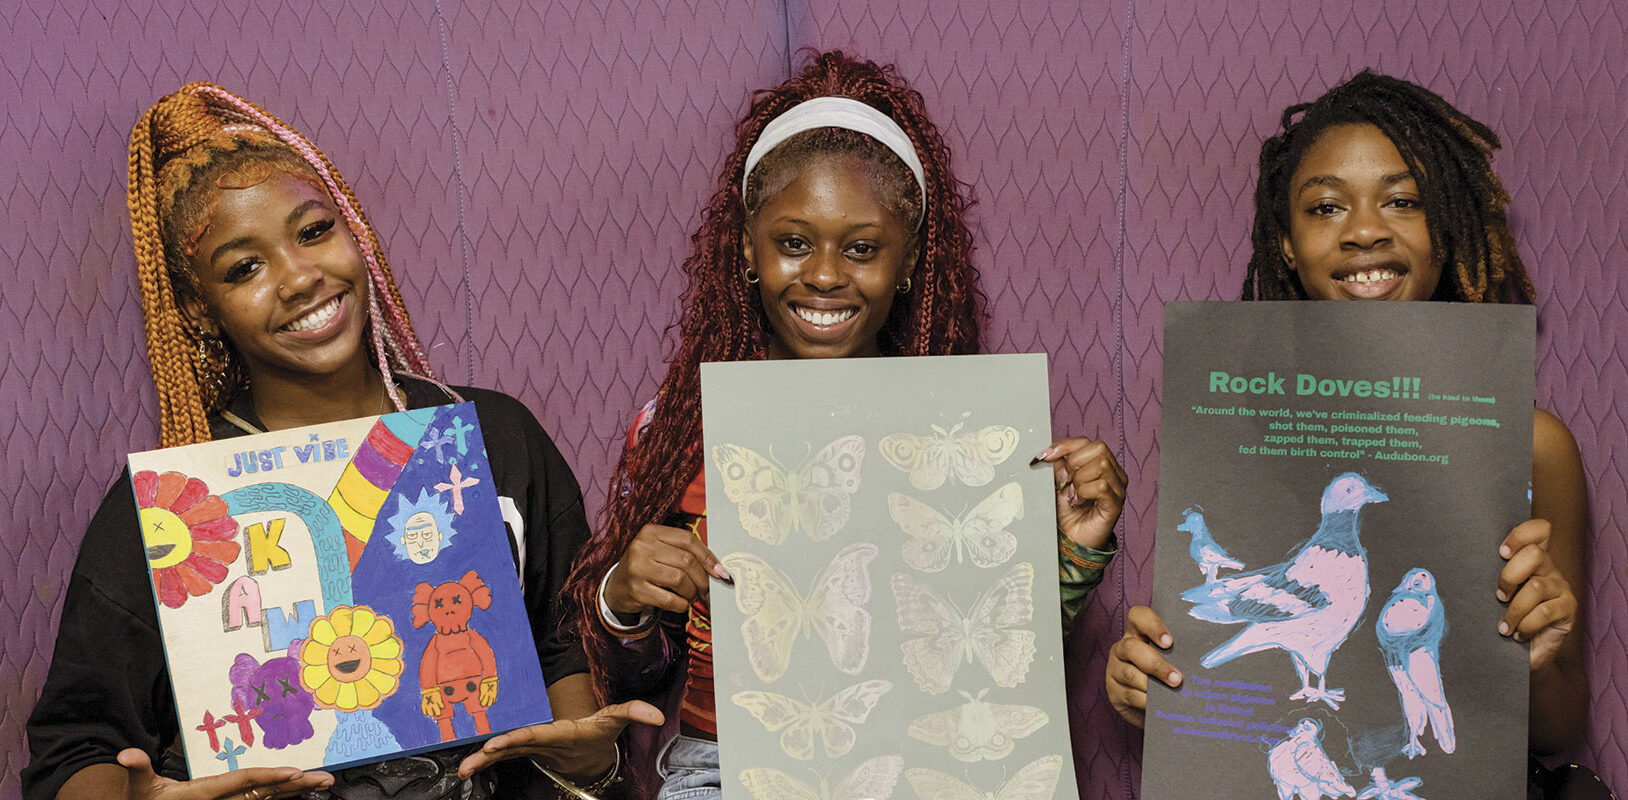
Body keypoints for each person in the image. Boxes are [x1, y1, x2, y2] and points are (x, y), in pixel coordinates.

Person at [23, 83, 659, 800]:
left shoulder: (493, 439)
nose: (299, 276)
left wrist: (587, 764)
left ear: (355, 231)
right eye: (245, 268)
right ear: (202, 309)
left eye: (314, 231)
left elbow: (563, 641)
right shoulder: (174, 514)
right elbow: (75, 745)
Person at [560, 51, 1127, 798]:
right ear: (746, 246)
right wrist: (625, 598)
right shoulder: (679, 430)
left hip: (928, 766)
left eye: (861, 248)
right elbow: (642, 675)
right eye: (794, 242)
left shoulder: (960, 428)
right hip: (731, 768)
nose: (825, 274)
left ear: (911, 257)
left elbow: (985, 668)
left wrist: (1073, 557)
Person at [1106, 71, 1589, 756]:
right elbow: (1209, 672)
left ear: (1446, 229)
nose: (1364, 230)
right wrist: (1147, 678)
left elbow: (1562, 729)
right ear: (1285, 243)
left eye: (1403, 201)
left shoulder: (1533, 443)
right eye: (1326, 208)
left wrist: (1537, 645)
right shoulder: (1224, 426)